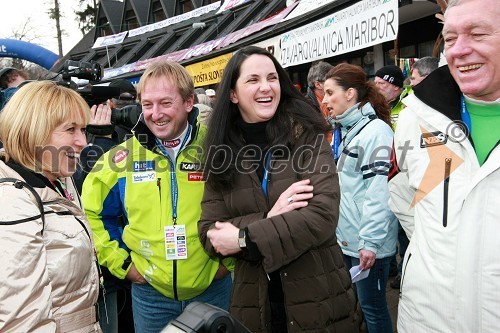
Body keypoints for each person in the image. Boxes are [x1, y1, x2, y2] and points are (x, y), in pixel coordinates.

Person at [198, 46, 363, 333]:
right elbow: (210, 234)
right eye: (253, 80)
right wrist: (271, 217)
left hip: (321, 299)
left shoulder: (306, 135)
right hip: (255, 306)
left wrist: (243, 238)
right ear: (233, 94)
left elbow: (322, 216)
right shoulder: (221, 153)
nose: (266, 87)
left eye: (272, 78)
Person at [81, 60, 232, 333]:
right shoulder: (121, 158)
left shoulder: (219, 147)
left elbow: (246, 206)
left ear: (188, 102)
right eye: (147, 105)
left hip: (213, 289)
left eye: (165, 103)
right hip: (151, 297)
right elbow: (93, 214)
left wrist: (228, 262)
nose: (155, 114)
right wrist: (125, 266)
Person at [388, 0, 500, 332]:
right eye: (450, 39)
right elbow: (402, 195)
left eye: (477, 33)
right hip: (427, 320)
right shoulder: (415, 117)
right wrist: (429, 255)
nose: (459, 50)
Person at [0, 81, 101, 332]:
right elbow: (21, 320)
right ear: (34, 131)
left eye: (83, 129)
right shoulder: (13, 199)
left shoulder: (58, 177)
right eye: (71, 129)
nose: (82, 141)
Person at [322, 63, 397, 333]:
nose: (325, 100)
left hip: (367, 246)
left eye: (330, 93)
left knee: (373, 309)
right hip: (351, 240)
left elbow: (379, 192)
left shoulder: (375, 132)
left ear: (350, 93)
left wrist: (370, 243)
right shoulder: (349, 130)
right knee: (363, 308)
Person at [306, 60, 334, 142]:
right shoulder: (305, 106)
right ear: (318, 84)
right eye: (330, 80)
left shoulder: (336, 98)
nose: (335, 83)